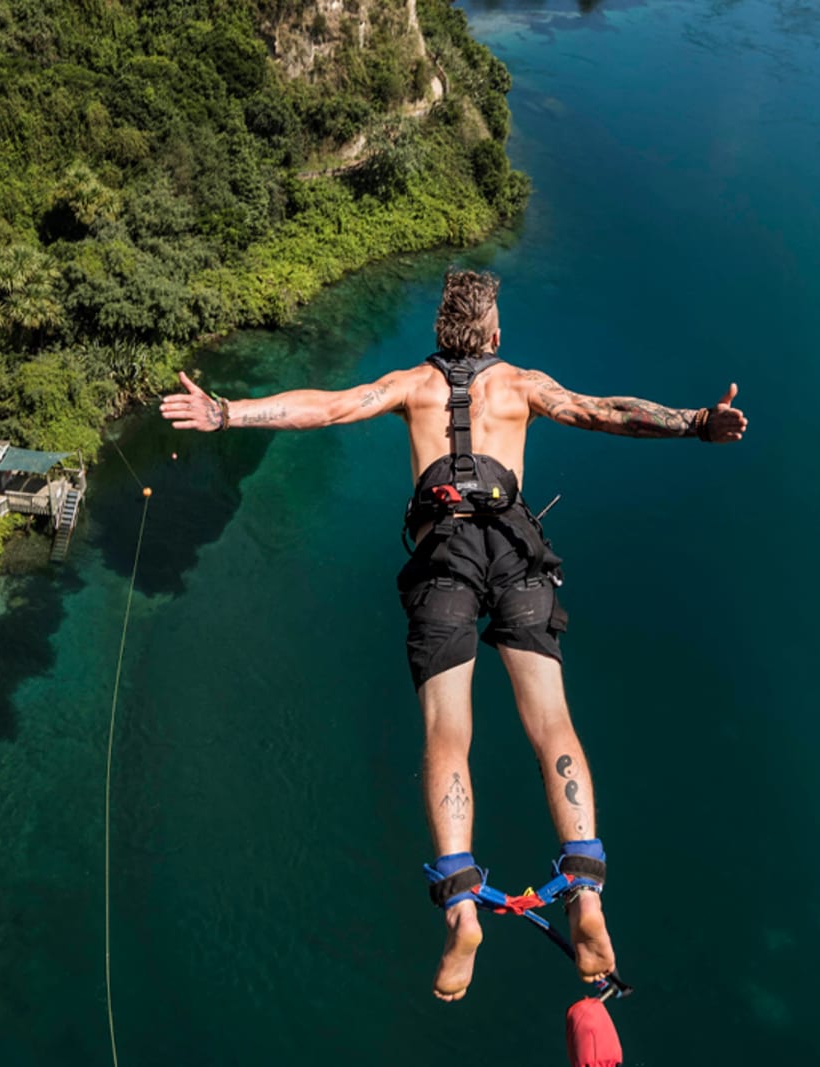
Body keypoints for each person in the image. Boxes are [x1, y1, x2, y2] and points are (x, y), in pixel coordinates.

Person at [160, 269, 747, 1001]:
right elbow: (605, 412)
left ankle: (462, 907)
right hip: (518, 553)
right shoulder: (523, 385)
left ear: (439, 332)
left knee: (447, 732)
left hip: (444, 559)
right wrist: (695, 422)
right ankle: (586, 889)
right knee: (552, 723)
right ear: (496, 334)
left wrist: (226, 412)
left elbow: (327, 408)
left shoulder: (411, 386)